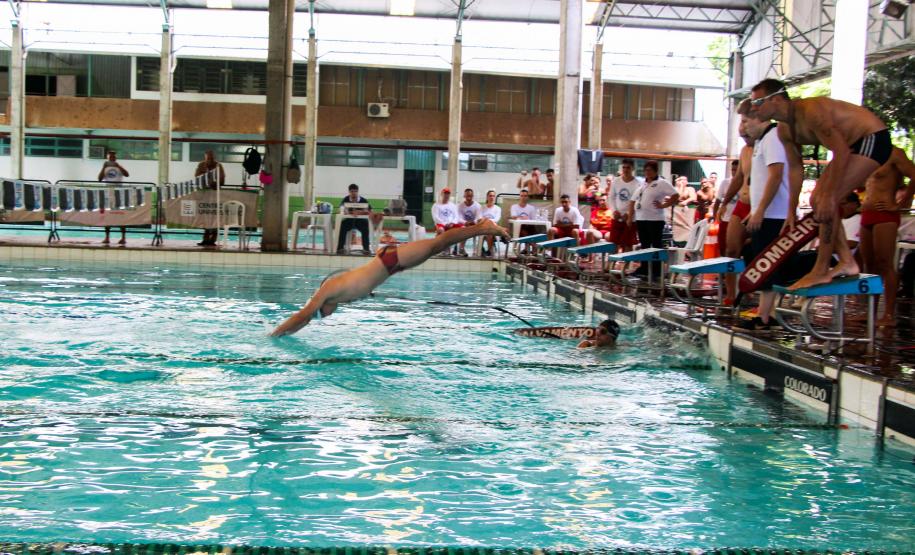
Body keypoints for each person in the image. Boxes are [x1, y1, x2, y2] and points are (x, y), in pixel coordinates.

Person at [745, 78, 891, 290]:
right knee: (816, 200)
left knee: (825, 201)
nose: (753, 108)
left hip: (871, 138)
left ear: (776, 99)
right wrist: (791, 209)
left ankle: (821, 270)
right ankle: (847, 262)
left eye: (757, 102)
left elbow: (840, 151)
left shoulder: (812, 111)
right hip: (849, 148)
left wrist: (831, 195)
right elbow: (795, 169)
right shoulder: (784, 130)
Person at [271, 219, 511, 336]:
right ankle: (480, 227)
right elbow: (305, 320)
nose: (326, 316)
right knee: (437, 247)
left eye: (322, 314)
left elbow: (302, 316)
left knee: (438, 243)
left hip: (389, 261)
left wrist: (274, 334)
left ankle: (483, 227)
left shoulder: (328, 290)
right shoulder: (340, 295)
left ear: (324, 306)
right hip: (390, 264)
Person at [736, 108, 794, 331]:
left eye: (745, 121)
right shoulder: (763, 140)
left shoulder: (772, 139)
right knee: (764, 264)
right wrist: (756, 209)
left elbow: (776, 176)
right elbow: (762, 180)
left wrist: (760, 209)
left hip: (772, 215)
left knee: (766, 265)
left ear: (758, 118)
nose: (743, 127)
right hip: (766, 213)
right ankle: (766, 314)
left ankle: (766, 318)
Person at [859, 147, 915, 326]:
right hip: (867, 213)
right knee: (868, 265)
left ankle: (889, 314)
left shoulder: (894, 153)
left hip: (886, 215)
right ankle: (870, 312)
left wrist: (903, 203)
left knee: (885, 263)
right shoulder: (866, 154)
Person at [628, 160, 678, 278]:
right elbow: (633, 200)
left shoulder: (661, 183)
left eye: (650, 170)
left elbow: (675, 195)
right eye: (646, 170)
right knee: (644, 245)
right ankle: (644, 268)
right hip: (641, 218)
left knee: (655, 244)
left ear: (655, 171)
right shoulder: (643, 184)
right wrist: (630, 217)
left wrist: (664, 205)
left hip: (655, 219)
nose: (647, 172)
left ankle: (657, 270)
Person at [606, 159, 641, 252]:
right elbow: (611, 197)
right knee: (614, 243)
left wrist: (629, 214)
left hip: (630, 219)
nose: (625, 170)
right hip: (616, 217)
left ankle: (627, 266)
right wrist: (614, 211)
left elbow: (638, 201)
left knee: (628, 244)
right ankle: (612, 264)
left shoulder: (638, 183)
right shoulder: (616, 182)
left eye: (628, 167)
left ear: (633, 168)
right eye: (624, 167)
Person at [194, 150, 226, 247]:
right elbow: (196, 176)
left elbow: (222, 179)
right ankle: (205, 238)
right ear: (205, 157)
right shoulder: (201, 165)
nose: (209, 159)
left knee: (214, 216)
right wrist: (206, 179)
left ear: (214, 157)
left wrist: (214, 183)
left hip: (215, 193)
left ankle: (213, 239)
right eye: (208, 157)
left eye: (211, 157)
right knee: (206, 217)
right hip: (204, 194)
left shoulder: (218, 166)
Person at [97, 150, 129, 245]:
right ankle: (107, 237)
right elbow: (99, 179)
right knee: (107, 215)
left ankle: (123, 238)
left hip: (119, 193)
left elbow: (127, 174)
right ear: (107, 158)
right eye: (110, 157)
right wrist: (103, 167)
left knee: (121, 215)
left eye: (113, 157)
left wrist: (118, 166)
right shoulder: (105, 168)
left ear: (115, 158)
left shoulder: (119, 167)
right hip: (108, 193)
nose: (112, 158)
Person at [336, 183, 372, 254]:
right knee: (342, 226)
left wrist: (359, 212)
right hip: (349, 220)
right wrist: (346, 211)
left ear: (358, 191)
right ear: (349, 192)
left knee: (365, 228)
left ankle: (366, 249)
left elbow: (370, 211)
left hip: (360, 221)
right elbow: (340, 209)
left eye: (355, 191)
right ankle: (340, 248)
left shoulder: (363, 200)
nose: (354, 193)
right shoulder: (346, 199)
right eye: (352, 191)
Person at [457, 188, 482, 256]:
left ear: (473, 196)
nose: (469, 197)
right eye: (467, 196)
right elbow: (458, 218)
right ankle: (461, 248)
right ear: (464, 196)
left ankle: (475, 250)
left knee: (469, 228)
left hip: (474, 225)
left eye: (470, 196)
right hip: (464, 225)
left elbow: (478, 217)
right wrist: (465, 222)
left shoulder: (477, 206)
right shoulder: (460, 206)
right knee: (464, 229)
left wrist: (473, 222)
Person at [479, 189, 503, 257]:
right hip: (483, 227)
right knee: (485, 232)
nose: (492, 197)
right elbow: (479, 218)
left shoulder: (498, 208)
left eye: (493, 196)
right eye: (490, 196)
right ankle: (483, 248)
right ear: (487, 197)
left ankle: (489, 250)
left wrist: (487, 221)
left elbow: (497, 219)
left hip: (492, 227)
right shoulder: (482, 208)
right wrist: (485, 221)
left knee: (489, 232)